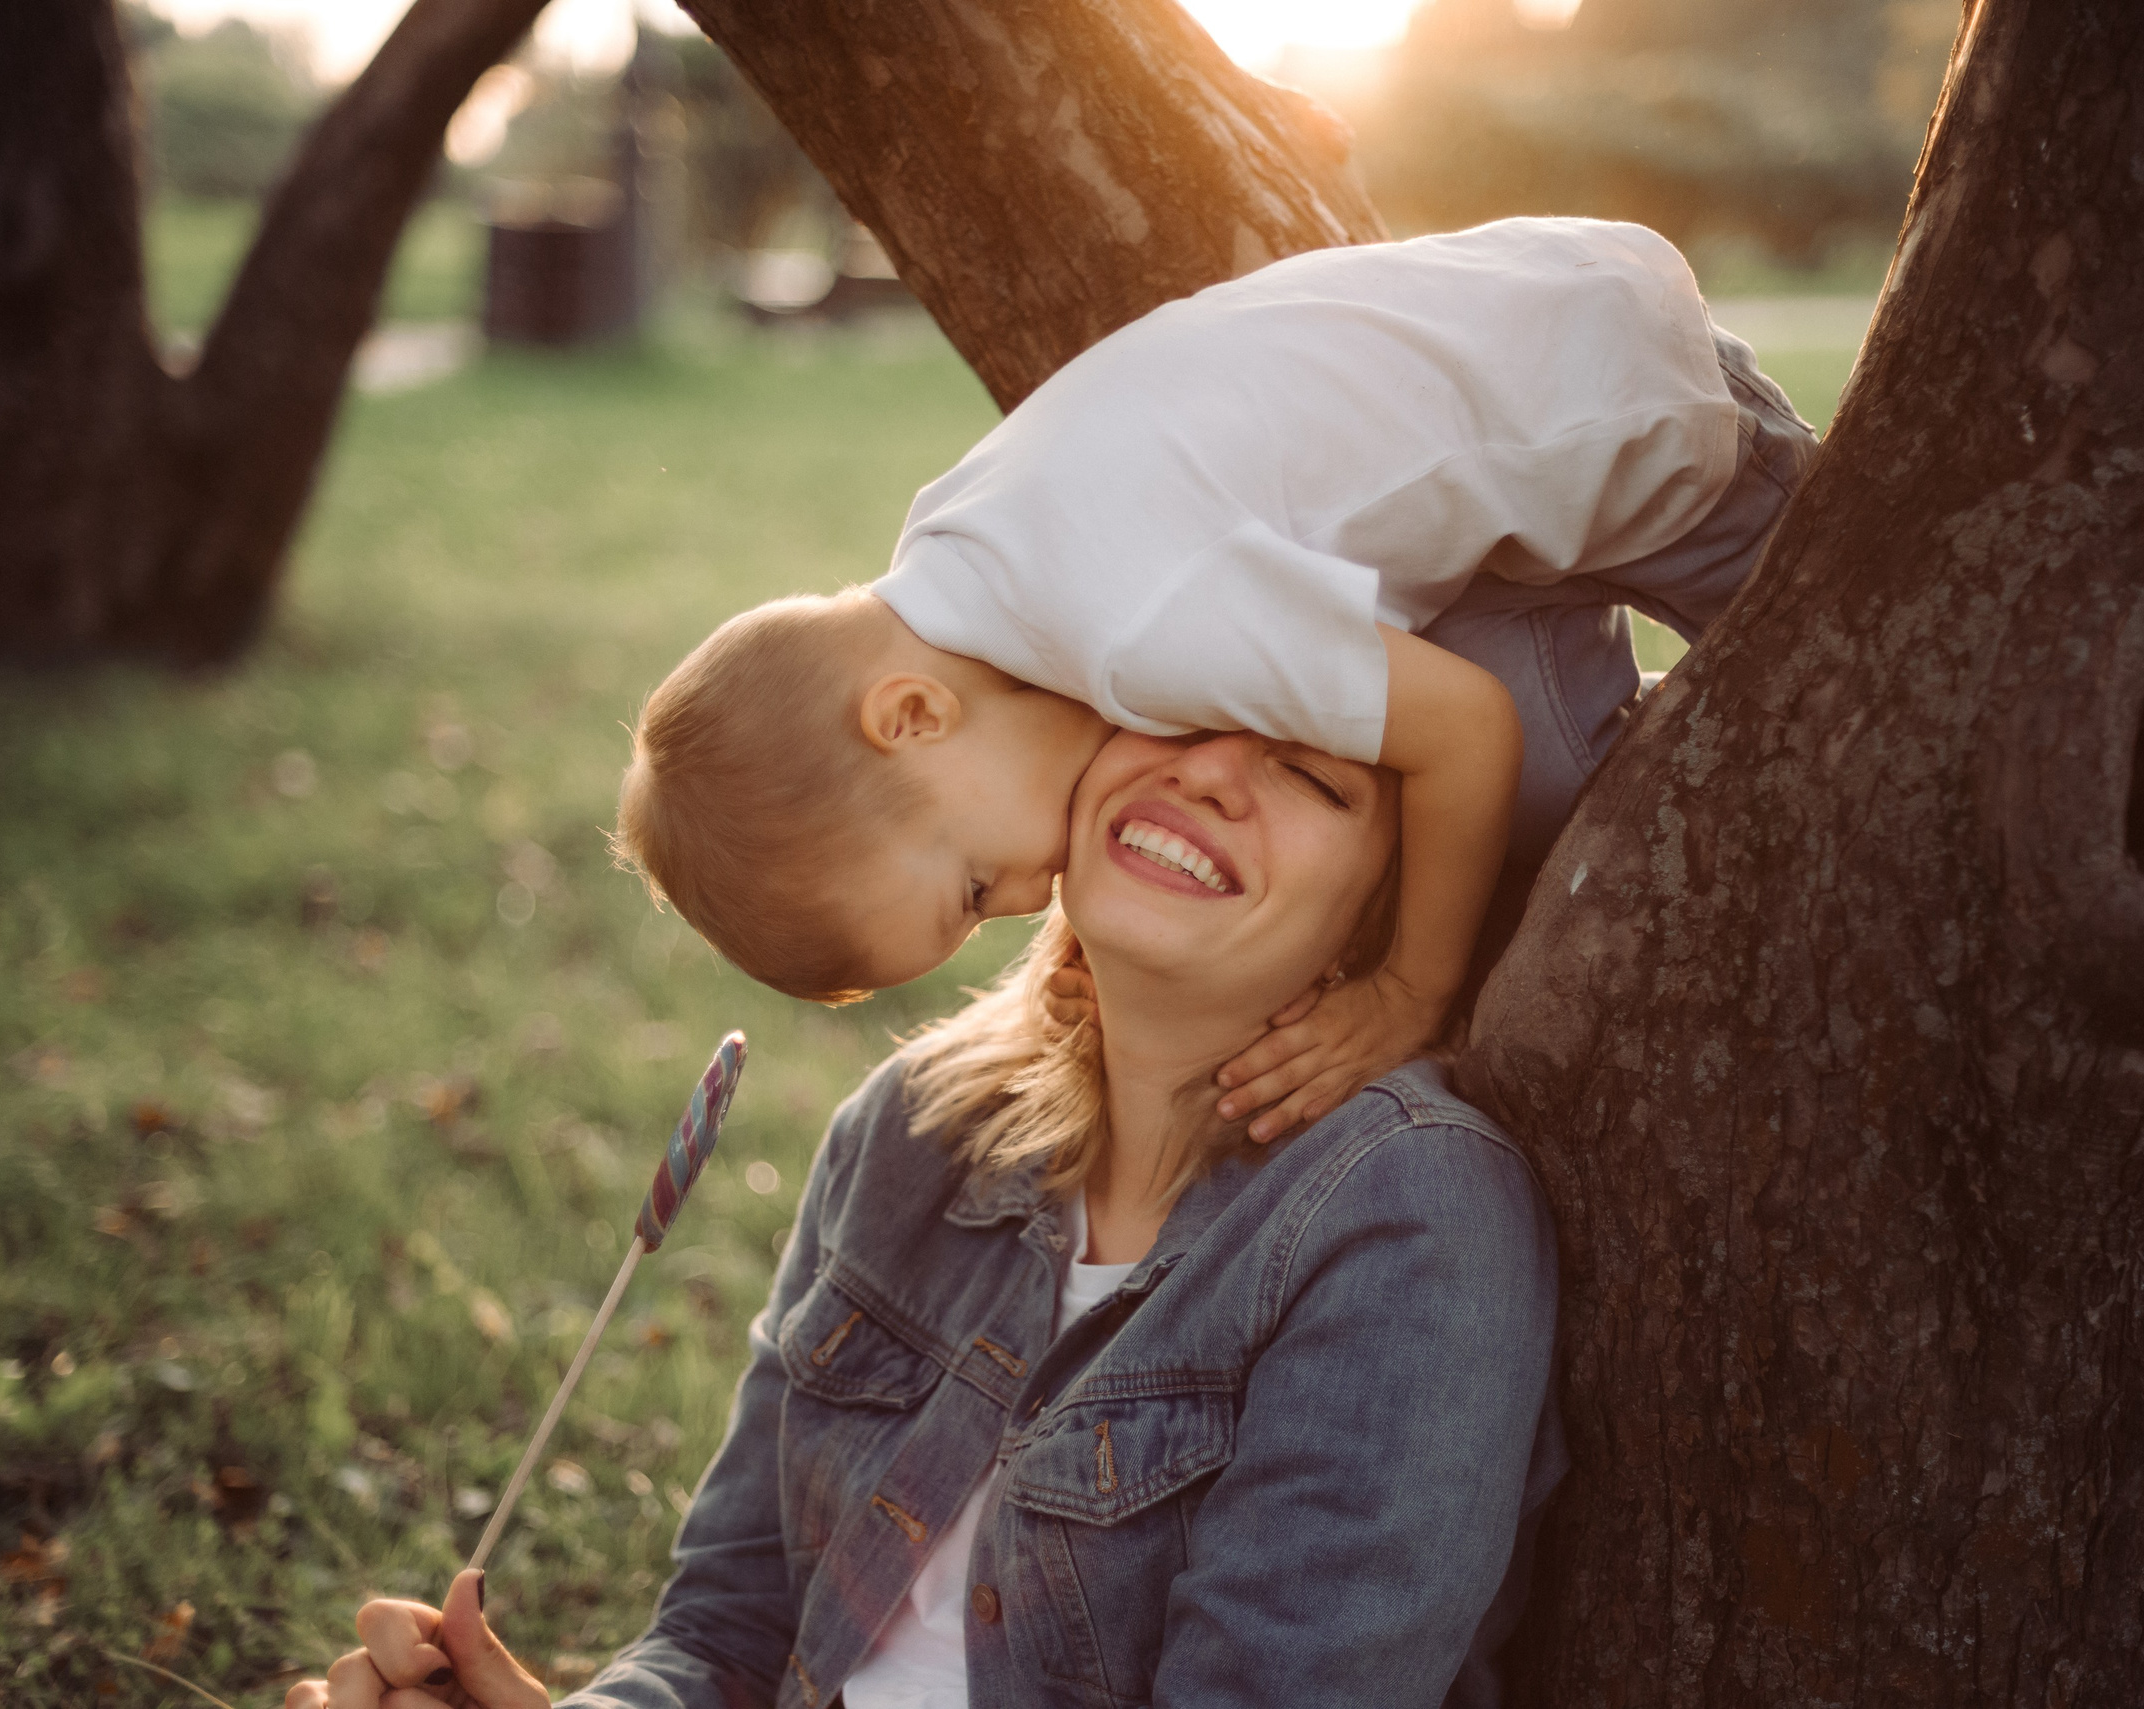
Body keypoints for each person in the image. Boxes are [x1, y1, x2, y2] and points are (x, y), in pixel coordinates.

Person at [293, 724, 1566, 1709]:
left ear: (1386, 920)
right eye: (1179, 707)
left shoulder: (1405, 1210)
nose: (1213, 772)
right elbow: (729, 1625)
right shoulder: (916, 1126)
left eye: (1315, 775)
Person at [616, 215, 1817, 1146]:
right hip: (1504, 428)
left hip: (1633, 416)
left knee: (1817, 737)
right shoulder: (959, 554)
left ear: (912, 715)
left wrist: (1408, 992)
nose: (1035, 894)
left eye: (979, 886)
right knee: (1544, 796)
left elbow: (1463, 729)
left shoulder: (1135, 624)